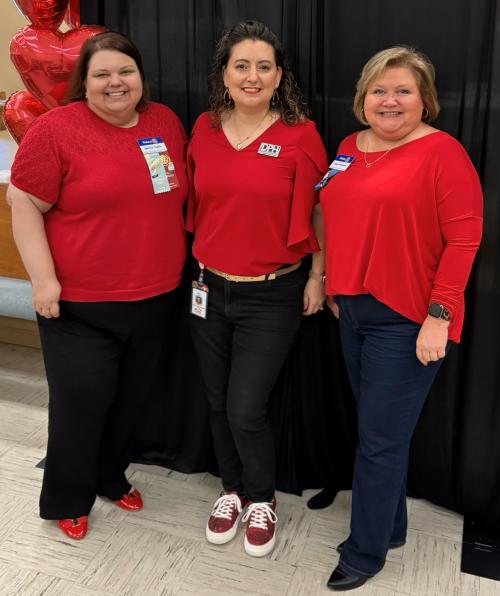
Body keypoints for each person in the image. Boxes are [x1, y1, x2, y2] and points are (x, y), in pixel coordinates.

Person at [6, 31, 188, 540]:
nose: (115, 83)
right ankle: (68, 496)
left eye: (125, 72)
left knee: (131, 403)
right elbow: (23, 203)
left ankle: (111, 476)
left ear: (140, 77)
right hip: (79, 306)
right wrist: (43, 282)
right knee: (80, 406)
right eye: (101, 74)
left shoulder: (164, 122)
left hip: (155, 296)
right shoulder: (56, 130)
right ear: (83, 82)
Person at [319, 46, 483, 590]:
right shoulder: (347, 147)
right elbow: (336, 217)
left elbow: (464, 239)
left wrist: (439, 317)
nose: (390, 101)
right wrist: (333, 281)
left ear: (425, 100)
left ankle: (364, 554)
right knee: (379, 431)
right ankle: (390, 527)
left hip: (408, 318)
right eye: (379, 91)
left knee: (380, 441)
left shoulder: (443, 153)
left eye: (403, 90)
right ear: (363, 99)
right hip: (352, 310)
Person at [186, 21, 328, 557]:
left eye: (263, 66)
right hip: (206, 287)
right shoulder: (202, 127)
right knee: (218, 401)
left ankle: (262, 499)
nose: (252, 75)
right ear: (224, 74)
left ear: (278, 76)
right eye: (240, 65)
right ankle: (231, 491)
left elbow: (320, 209)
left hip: (272, 293)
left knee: (247, 407)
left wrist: (317, 276)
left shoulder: (300, 134)